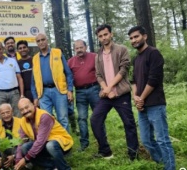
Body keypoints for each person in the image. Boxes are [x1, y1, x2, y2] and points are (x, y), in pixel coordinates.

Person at [129, 25, 176, 170]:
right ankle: (162, 162)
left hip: (155, 104)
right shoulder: (136, 59)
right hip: (141, 106)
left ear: (145, 36)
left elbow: (153, 80)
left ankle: (170, 167)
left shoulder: (154, 53)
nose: (133, 40)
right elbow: (133, 81)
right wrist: (135, 97)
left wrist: (141, 98)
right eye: (131, 38)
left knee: (162, 140)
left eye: (136, 36)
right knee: (146, 140)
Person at [91, 25, 139, 160]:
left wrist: (109, 88)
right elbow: (99, 75)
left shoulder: (121, 49)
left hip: (121, 93)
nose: (103, 38)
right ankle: (105, 151)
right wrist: (105, 89)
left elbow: (123, 70)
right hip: (106, 96)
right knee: (95, 119)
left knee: (128, 123)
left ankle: (133, 154)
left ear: (111, 34)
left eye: (105, 34)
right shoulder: (98, 55)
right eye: (100, 36)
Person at [15, 98, 74, 170]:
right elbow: (20, 141)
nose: (25, 111)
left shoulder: (44, 116)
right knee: (24, 147)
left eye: (26, 107)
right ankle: (52, 166)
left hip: (61, 143)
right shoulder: (22, 121)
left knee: (50, 145)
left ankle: (64, 168)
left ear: (33, 105)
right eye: (22, 109)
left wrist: (26, 159)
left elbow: (40, 142)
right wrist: (18, 159)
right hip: (44, 145)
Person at [31, 33, 74, 132]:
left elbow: (68, 73)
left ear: (47, 40)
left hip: (59, 90)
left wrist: (70, 90)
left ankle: (65, 145)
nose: (41, 42)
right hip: (43, 93)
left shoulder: (57, 53)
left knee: (63, 118)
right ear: (36, 43)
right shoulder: (35, 58)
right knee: (46, 120)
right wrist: (35, 97)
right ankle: (52, 144)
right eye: (38, 41)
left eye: (43, 40)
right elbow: (33, 80)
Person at [68, 40, 100, 151]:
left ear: (85, 47)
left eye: (81, 47)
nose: (79, 50)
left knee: (98, 116)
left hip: (94, 89)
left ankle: (101, 140)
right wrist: (69, 91)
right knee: (81, 118)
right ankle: (84, 143)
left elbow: (101, 72)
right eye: (77, 48)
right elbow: (68, 78)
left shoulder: (95, 57)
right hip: (80, 92)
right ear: (74, 50)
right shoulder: (70, 62)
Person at [0, 41, 24, 121]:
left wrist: (22, 95)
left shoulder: (12, 61)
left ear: (3, 49)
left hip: (14, 93)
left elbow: (19, 78)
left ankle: (18, 134)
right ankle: (1, 134)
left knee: (18, 117)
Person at [0, 103, 22, 169]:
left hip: (17, 149)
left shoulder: (21, 122)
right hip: (2, 152)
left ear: (12, 111)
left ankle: (15, 161)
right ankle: (4, 164)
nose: (6, 115)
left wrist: (14, 155)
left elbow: (24, 140)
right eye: (3, 113)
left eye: (8, 112)